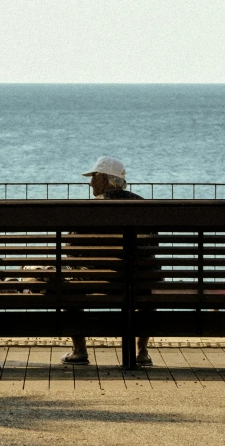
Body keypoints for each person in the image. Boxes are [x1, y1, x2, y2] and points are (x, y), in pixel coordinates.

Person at [61, 155, 153, 367]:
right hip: (140, 283)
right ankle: (142, 352)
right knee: (150, 286)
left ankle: (80, 351)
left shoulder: (91, 210)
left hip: (100, 282)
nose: (90, 182)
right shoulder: (144, 206)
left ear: (104, 179)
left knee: (68, 286)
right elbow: (151, 250)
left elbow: (72, 249)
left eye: (93, 177)